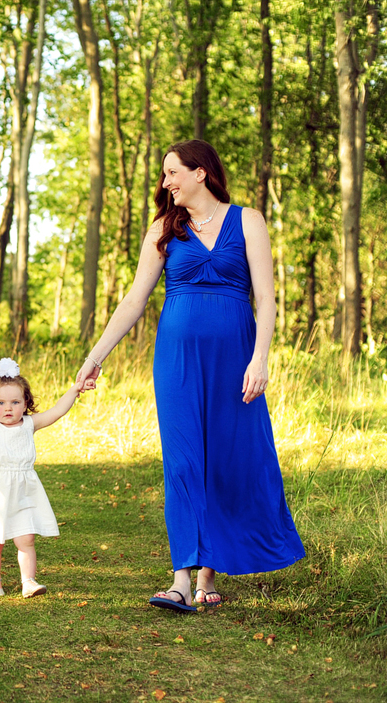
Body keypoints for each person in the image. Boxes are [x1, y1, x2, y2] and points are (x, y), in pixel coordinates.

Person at [76, 139, 304, 613]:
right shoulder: (164, 228)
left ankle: (208, 573)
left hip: (236, 358)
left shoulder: (248, 221)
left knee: (223, 459)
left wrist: (260, 358)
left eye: (173, 172)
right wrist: (96, 355)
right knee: (182, 462)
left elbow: (266, 298)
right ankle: (181, 577)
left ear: (201, 173)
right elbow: (135, 300)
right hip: (177, 360)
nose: (166, 183)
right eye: (164, 175)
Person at [0, 358, 88, 598]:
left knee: (26, 538)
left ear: (25, 404)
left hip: (24, 492)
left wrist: (74, 390)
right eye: (1, 402)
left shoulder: (29, 425)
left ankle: (29, 581)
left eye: (15, 402)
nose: (8, 408)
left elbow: (56, 412)